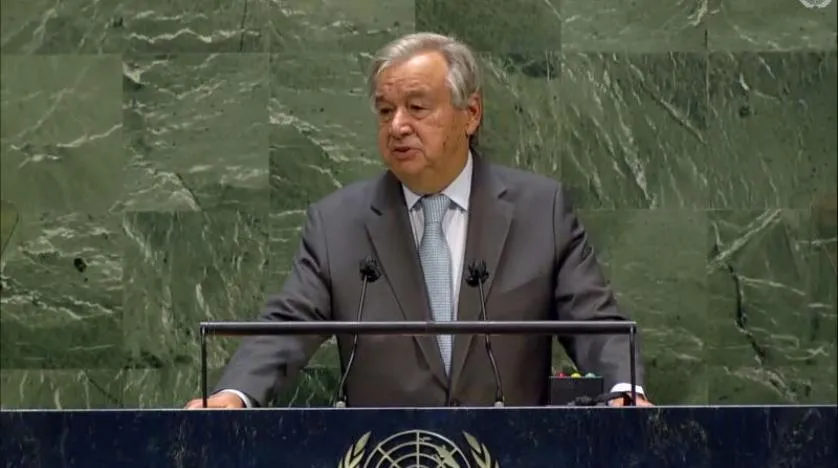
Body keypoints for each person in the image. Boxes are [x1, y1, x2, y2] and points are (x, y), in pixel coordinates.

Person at [186, 32, 651, 409]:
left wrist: (624, 389)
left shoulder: (539, 211)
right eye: (385, 111)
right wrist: (234, 394)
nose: (397, 126)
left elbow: (597, 323)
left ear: (470, 114)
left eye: (417, 107)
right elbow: (287, 325)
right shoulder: (338, 224)